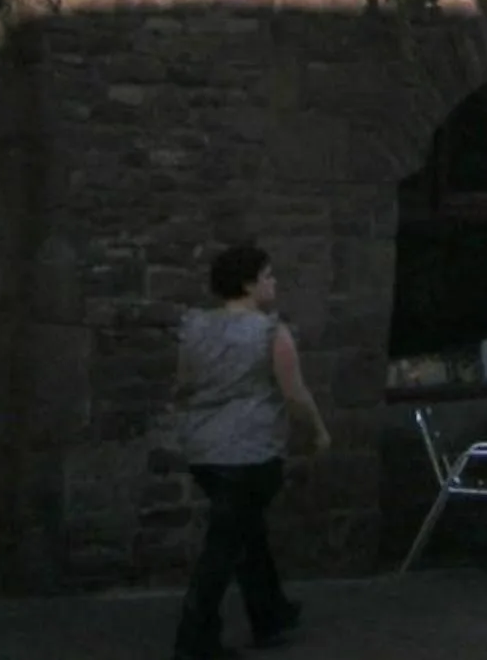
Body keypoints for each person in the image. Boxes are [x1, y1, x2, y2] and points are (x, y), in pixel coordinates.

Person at [174, 243, 329, 660]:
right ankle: (195, 636)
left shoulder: (196, 328)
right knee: (225, 545)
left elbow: (184, 385)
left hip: (205, 449)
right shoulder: (269, 333)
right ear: (248, 283)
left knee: (245, 532)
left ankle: (270, 612)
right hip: (250, 451)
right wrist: (316, 430)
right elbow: (294, 393)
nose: (273, 282)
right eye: (267, 275)